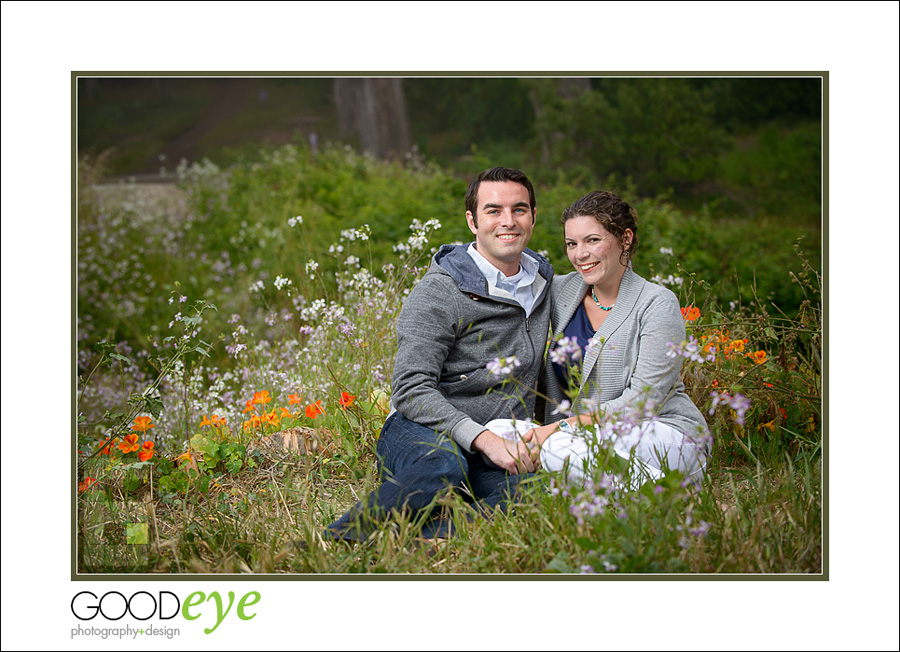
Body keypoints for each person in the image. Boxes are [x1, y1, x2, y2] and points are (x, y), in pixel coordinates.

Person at [326, 167, 554, 541]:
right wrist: (483, 440)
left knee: (542, 492)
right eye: (493, 211)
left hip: (501, 442)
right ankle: (340, 538)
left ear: (533, 217)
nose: (508, 221)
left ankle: (423, 542)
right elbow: (410, 388)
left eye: (520, 209)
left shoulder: (544, 283)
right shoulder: (440, 291)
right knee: (445, 468)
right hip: (425, 429)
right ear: (472, 220)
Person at [524, 190, 709, 487]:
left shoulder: (657, 302)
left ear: (625, 239)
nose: (579, 255)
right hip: (583, 437)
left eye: (592, 240)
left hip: (660, 432)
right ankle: (645, 490)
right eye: (571, 244)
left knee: (557, 450)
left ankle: (667, 498)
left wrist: (559, 430)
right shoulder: (561, 291)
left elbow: (642, 402)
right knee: (502, 431)